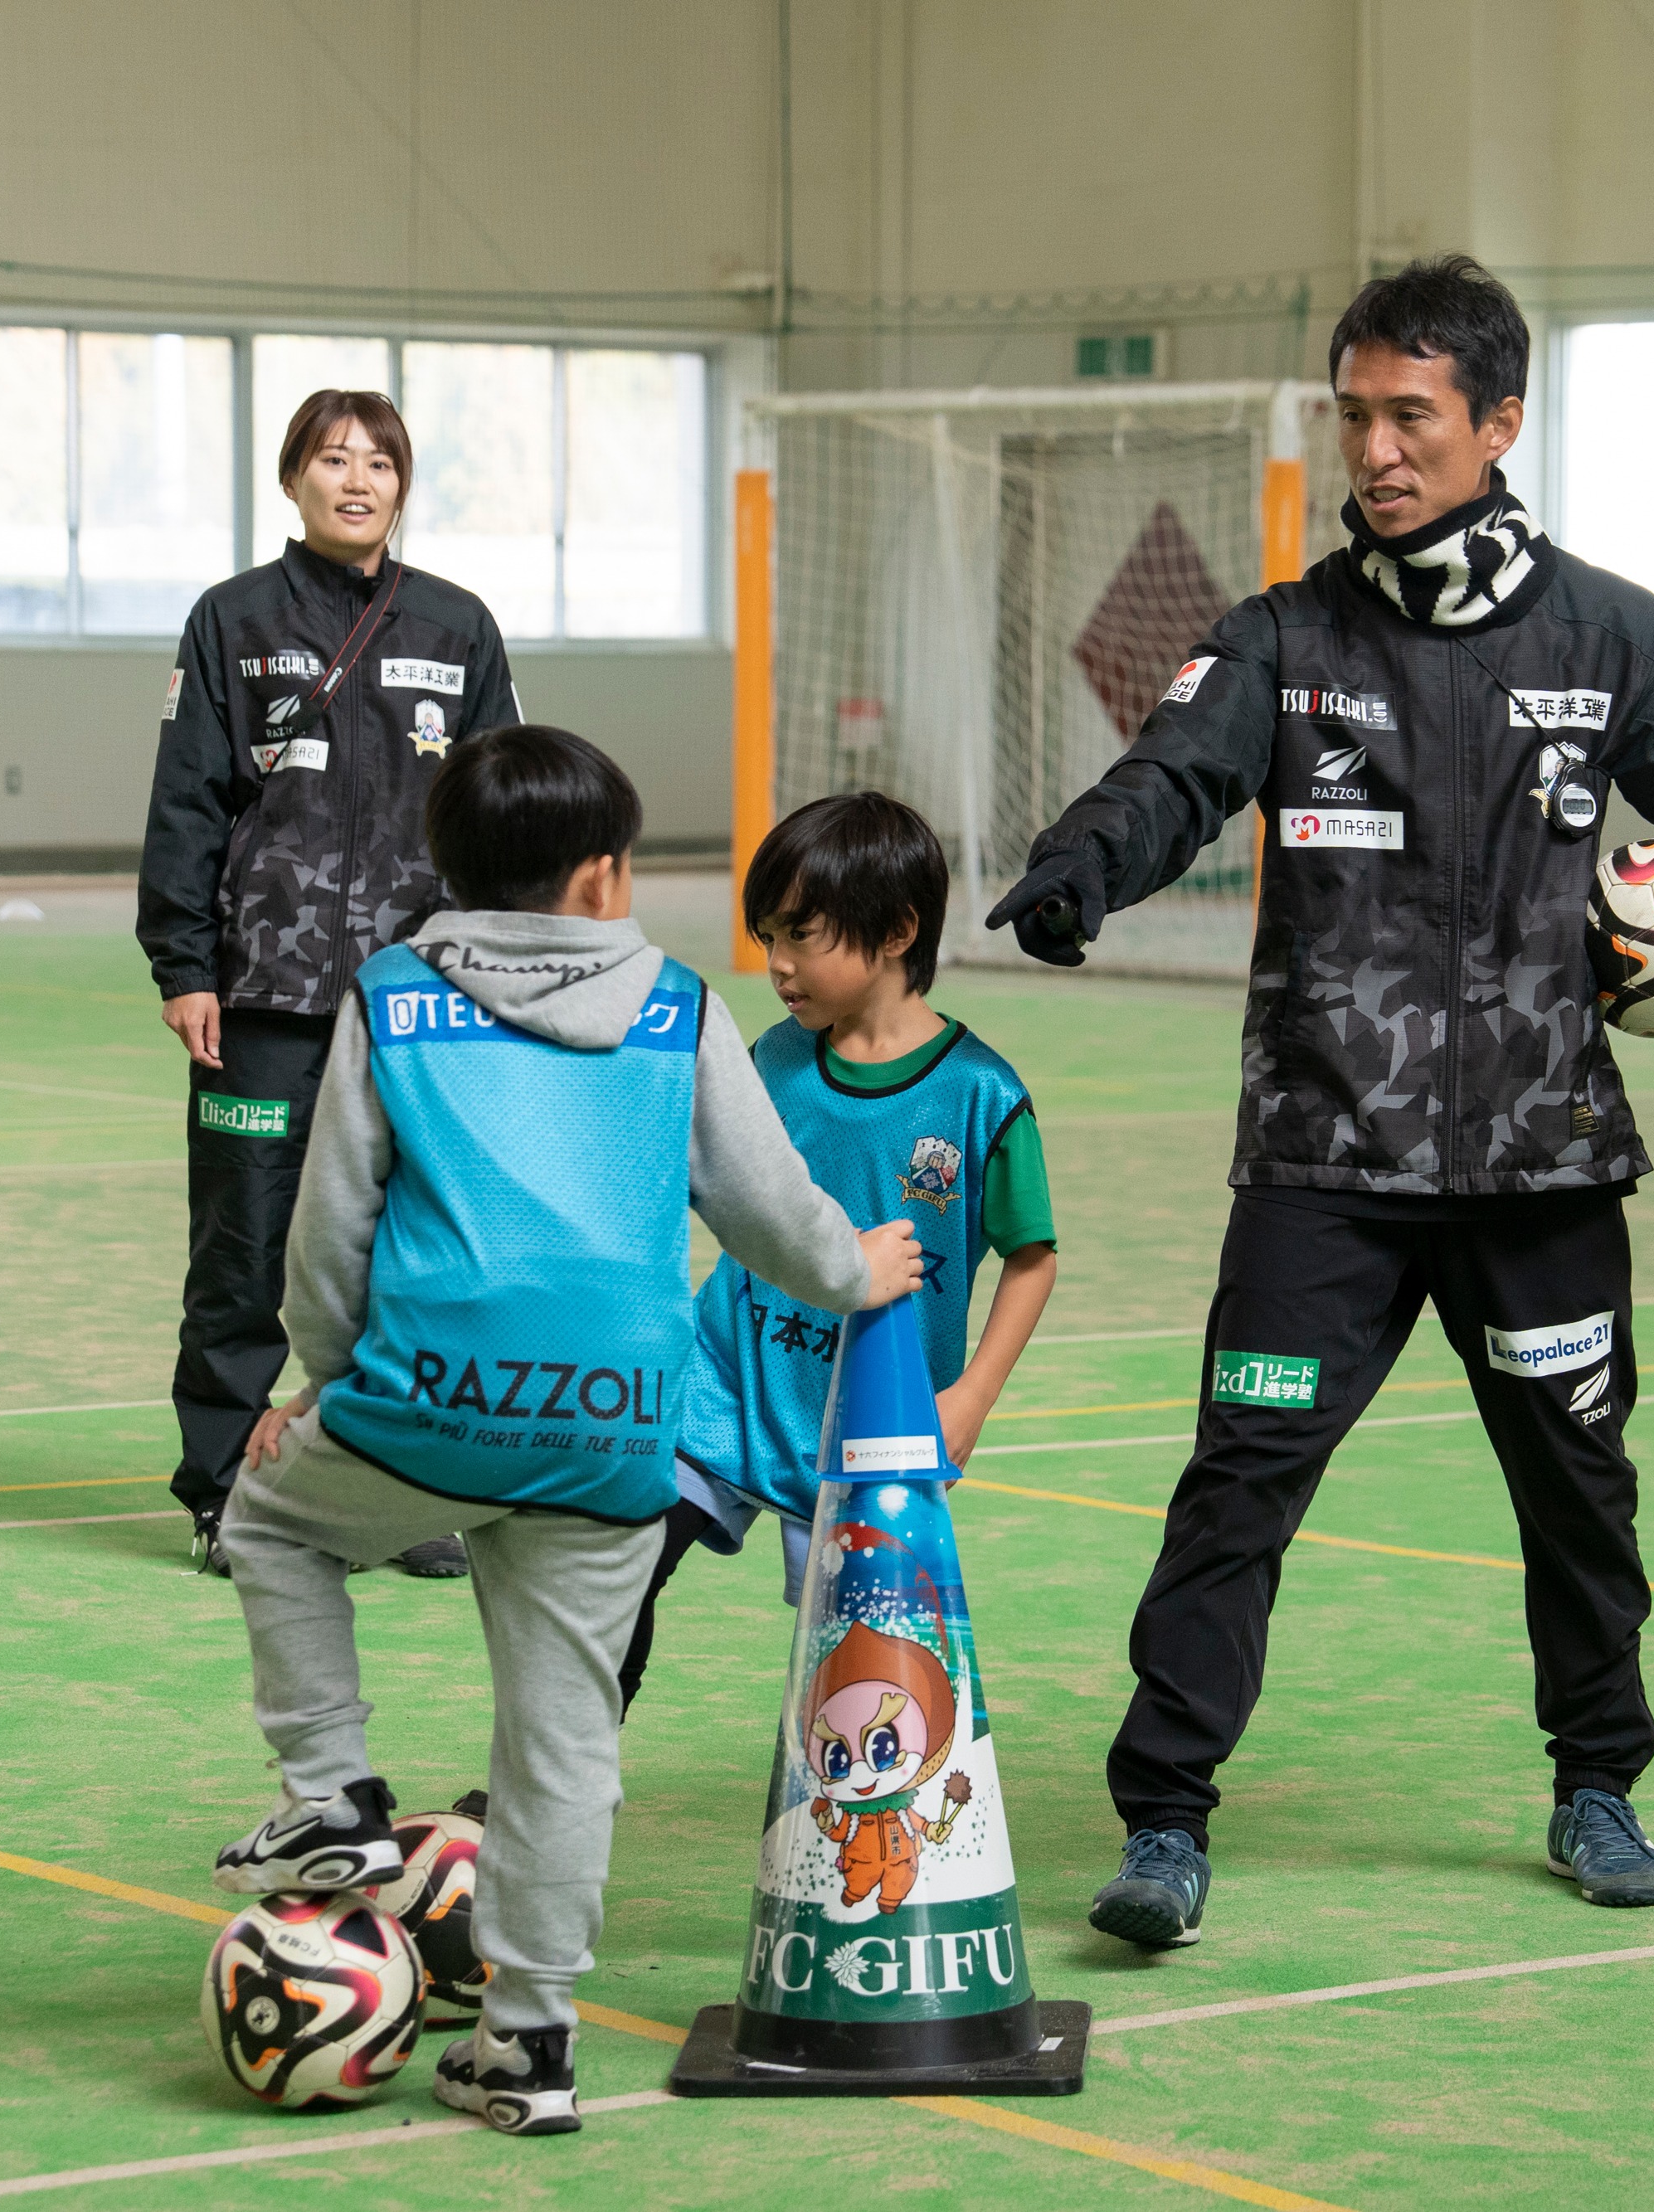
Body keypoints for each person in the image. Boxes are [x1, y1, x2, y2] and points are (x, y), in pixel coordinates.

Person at [985, 255, 1654, 1947]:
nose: (1375, 449)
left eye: (1410, 416)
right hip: (1324, 1158)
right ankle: (1163, 1822)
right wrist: (1085, 865)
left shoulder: (1612, 642)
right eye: (1353, 414)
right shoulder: (1285, 639)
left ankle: (1596, 1780)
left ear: (1496, 422)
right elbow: (1169, 777)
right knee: (1238, 1479)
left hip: (1540, 1165)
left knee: (1576, 1487)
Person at [209, 725, 925, 2136]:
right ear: (604, 875)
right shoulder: (677, 1007)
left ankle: (335, 1791)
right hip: (613, 1432)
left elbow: (329, 1223)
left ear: (451, 869)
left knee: (271, 1520)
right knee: (562, 1741)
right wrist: (862, 1271)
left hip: (421, 1402)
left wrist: (319, 1385)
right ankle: (529, 2045)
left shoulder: (392, 996)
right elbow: (772, 1213)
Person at [137, 389, 522, 1581]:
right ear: (293, 478)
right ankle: (225, 1493)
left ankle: (394, 1492)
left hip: (421, 1003)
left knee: (409, 1249)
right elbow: (187, 799)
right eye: (331, 458)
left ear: (404, 485)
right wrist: (185, 965)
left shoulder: (459, 629)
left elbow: (507, 812)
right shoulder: (233, 621)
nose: (357, 479)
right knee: (246, 1247)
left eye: (379, 462)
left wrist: (496, 970)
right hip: (264, 997)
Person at [615, 791, 1059, 1709]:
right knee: (613, 1577)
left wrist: (971, 1397)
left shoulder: (981, 1098)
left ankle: (884, 1827)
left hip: (873, 1426)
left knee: (871, 1654)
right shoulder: (768, 1063)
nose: (775, 966)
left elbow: (1032, 1257)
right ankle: (547, 1794)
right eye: (767, 936)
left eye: (799, 937)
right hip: (727, 1391)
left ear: (896, 930)